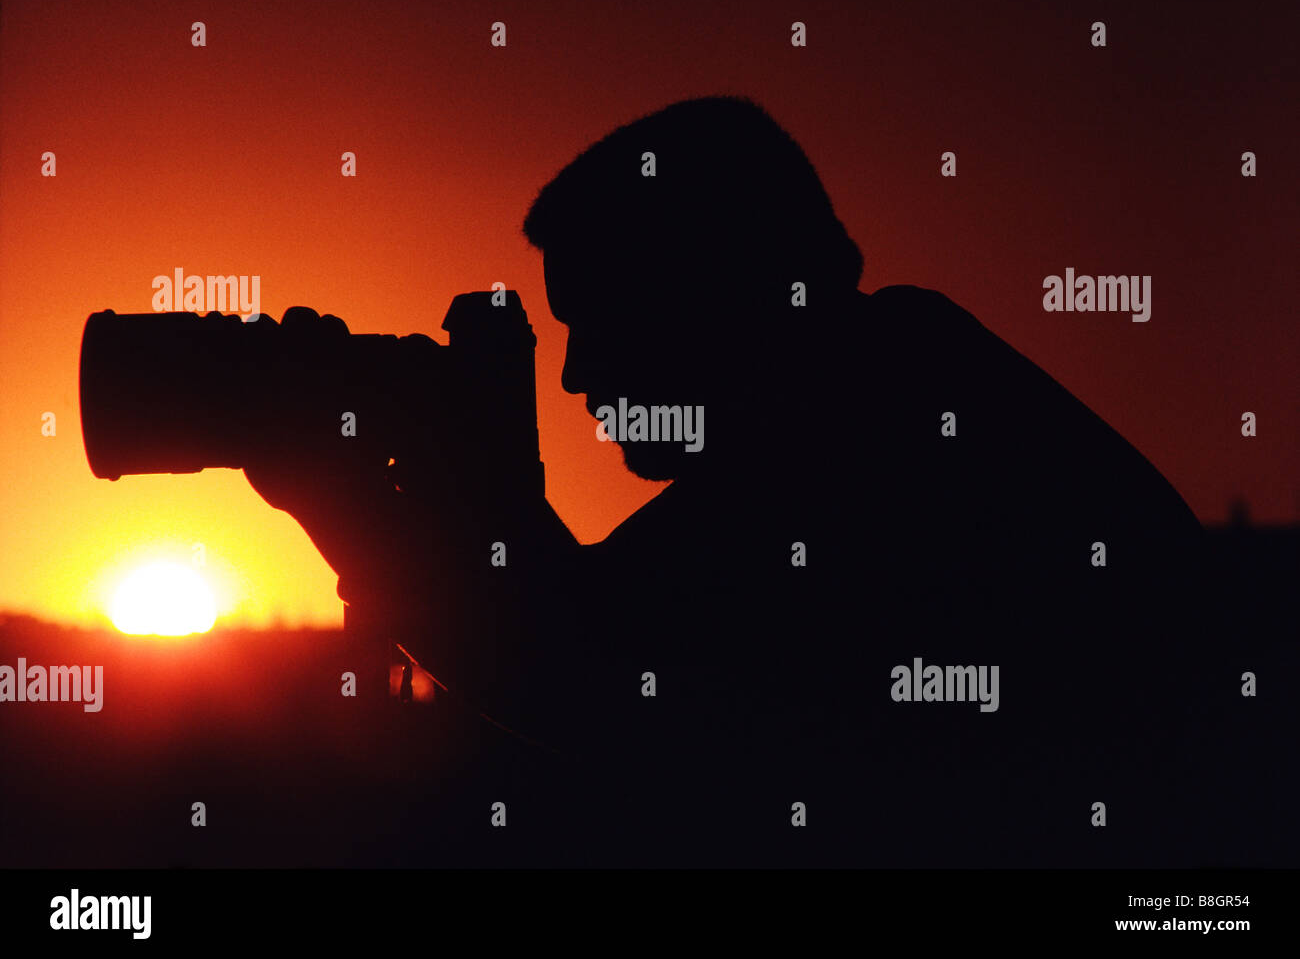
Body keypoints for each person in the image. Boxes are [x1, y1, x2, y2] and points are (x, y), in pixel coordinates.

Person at [243, 96, 1238, 867]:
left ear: (708, 287)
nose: (577, 373)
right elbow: (585, 631)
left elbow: (577, 669)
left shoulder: (890, 408)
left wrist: (345, 494)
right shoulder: (876, 385)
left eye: (600, 318)